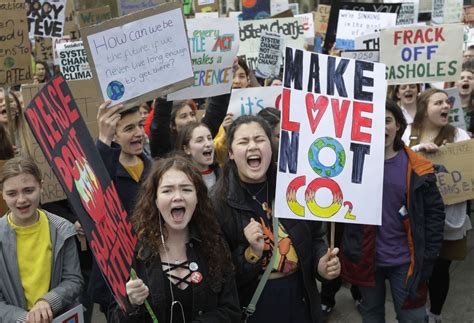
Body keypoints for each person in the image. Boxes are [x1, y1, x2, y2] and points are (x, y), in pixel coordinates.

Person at [211, 115, 340, 323]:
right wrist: (250, 254)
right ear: (231, 153)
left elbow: (315, 236)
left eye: (259, 139)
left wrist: (321, 264)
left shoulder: (294, 186)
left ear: (271, 147)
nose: (253, 146)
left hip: (300, 295)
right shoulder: (218, 202)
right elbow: (218, 274)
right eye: (243, 142)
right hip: (255, 300)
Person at [340, 101, 445, 323]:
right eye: (372, 121)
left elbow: (434, 216)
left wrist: (428, 257)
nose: (380, 127)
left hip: (407, 261)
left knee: (413, 317)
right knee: (371, 314)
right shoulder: (350, 165)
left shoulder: (418, 168)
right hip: (368, 260)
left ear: (397, 125)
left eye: (386, 120)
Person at [109, 155, 240, 322]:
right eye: (167, 190)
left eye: (186, 189)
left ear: (197, 198)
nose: (177, 197)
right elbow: (113, 317)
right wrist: (130, 303)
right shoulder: (135, 250)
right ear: (155, 200)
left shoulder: (214, 243)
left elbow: (231, 311)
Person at [404, 88, 472, 323]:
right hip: (415, 218)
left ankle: (435, 314)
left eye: (447, 102)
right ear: (424, 109)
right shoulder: (408, 133)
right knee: (417, 267)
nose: (446, 106)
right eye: (438, 102)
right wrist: (417, 152)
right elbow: (395, 162)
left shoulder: (459, 135)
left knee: (441, 269)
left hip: (448, 218)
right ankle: (415, 308)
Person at [0, 157, 83, 322]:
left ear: (41, 187)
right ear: (2, 194)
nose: (21, 199)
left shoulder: (62, 230)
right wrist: (26, 318)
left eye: (29, 190)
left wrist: (47, 301)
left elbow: (73, 279)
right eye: (12, 193)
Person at [90, 101, 152, 317]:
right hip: (119, 275)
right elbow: (94, 195)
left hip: (152, 269)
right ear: (114, 136)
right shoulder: (107, 169)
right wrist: (103, 141)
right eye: (128, 128)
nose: (138, 133)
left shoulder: (154, 168)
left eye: (140, 125)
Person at [175, 122, 220, 189]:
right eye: (200, 140)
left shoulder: (225, 176)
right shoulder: (179, 179)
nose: (208, 144)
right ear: (187, 149)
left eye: (209, 138)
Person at [455, 68, 474, 134]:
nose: (465, 80)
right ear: (455, 84)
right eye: (461, 78)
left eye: (470, 78)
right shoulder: (445, 106)